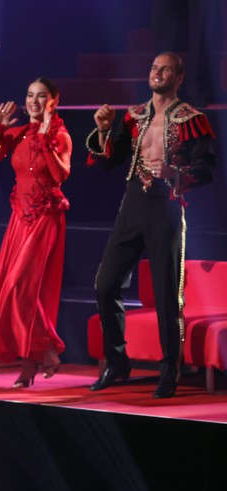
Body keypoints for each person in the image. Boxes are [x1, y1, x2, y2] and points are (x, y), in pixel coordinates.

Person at [87, 52, 216, 399]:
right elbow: (110, 162)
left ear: (179, 76)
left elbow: (207, 168)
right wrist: (103, 132)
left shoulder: (191, 118)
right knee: (105, 283)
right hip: (133, 204)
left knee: (165, 295)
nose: (158, 73)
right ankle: (117, 360)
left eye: (166, 69)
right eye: (154, 68)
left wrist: (176, 173)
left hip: (167, 207)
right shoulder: (133, 116)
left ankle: (169, 366)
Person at [0, 78, 72, 388]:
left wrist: (45, 139)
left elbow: (60, 175)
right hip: (19, 220)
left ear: (53, 102)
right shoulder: (17, 135)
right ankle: (29, 366)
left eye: (41, 96)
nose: (34, 101)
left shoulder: (61, 137)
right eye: (30, 95)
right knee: (26, 293)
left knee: (19, 287)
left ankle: (49, 349)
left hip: (46, 218)